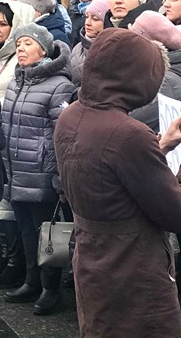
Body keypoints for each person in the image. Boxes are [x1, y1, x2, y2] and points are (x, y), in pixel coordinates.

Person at [55, 29, 181, 338]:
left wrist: (161, 146)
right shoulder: (130, 134)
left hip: (92, 259)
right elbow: (175, 213)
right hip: (133, 269)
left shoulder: (70, 115)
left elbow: (107, 172)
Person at [1, 22, 74, 316]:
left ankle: (50, 289)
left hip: (42, 171)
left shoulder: (59, 85)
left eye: (27, 43)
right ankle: (31, 281)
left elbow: (62, 134)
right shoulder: (16, 81)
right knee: (26, 231)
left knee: (47, 234)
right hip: (17, 170)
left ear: (43, 49)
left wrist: (58, 175)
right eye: (18, 44)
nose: (20, 48)